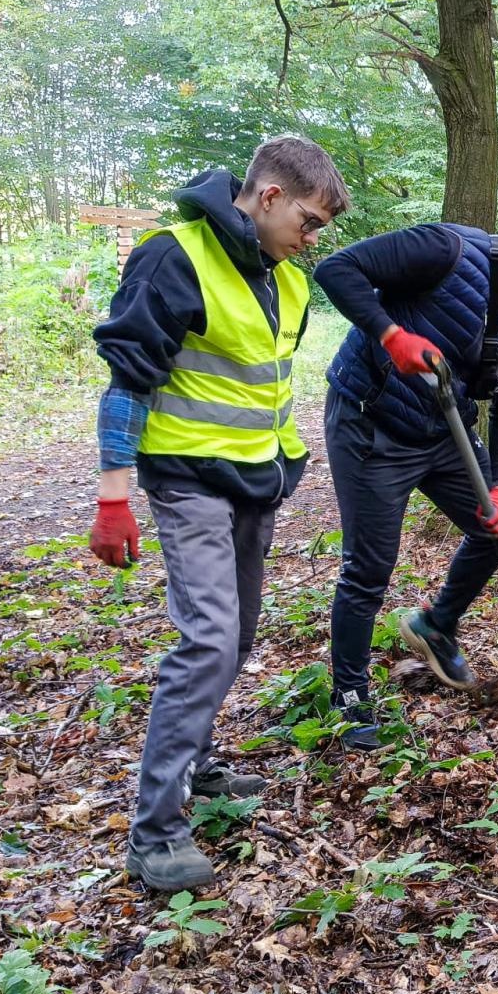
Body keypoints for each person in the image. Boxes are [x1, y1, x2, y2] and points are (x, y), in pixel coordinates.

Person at [87, 136, 350, 891]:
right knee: (207, 640)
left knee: (237, 635)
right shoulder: (174, 256)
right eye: (306, 220)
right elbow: (126, 382)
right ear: (267, 197)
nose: (310, 239)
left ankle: (197, 765)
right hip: (186, 481)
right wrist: (112, 498)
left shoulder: (285, 280)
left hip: (254, 484)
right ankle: (155, 829)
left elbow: (258, 383)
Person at [316, 203, 498, 748]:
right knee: (369, 568)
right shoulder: (443, 250)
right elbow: (336, 269)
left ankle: (436, 623)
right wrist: (389, 334)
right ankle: (349, 695)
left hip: (445, 432)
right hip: (371, 421)